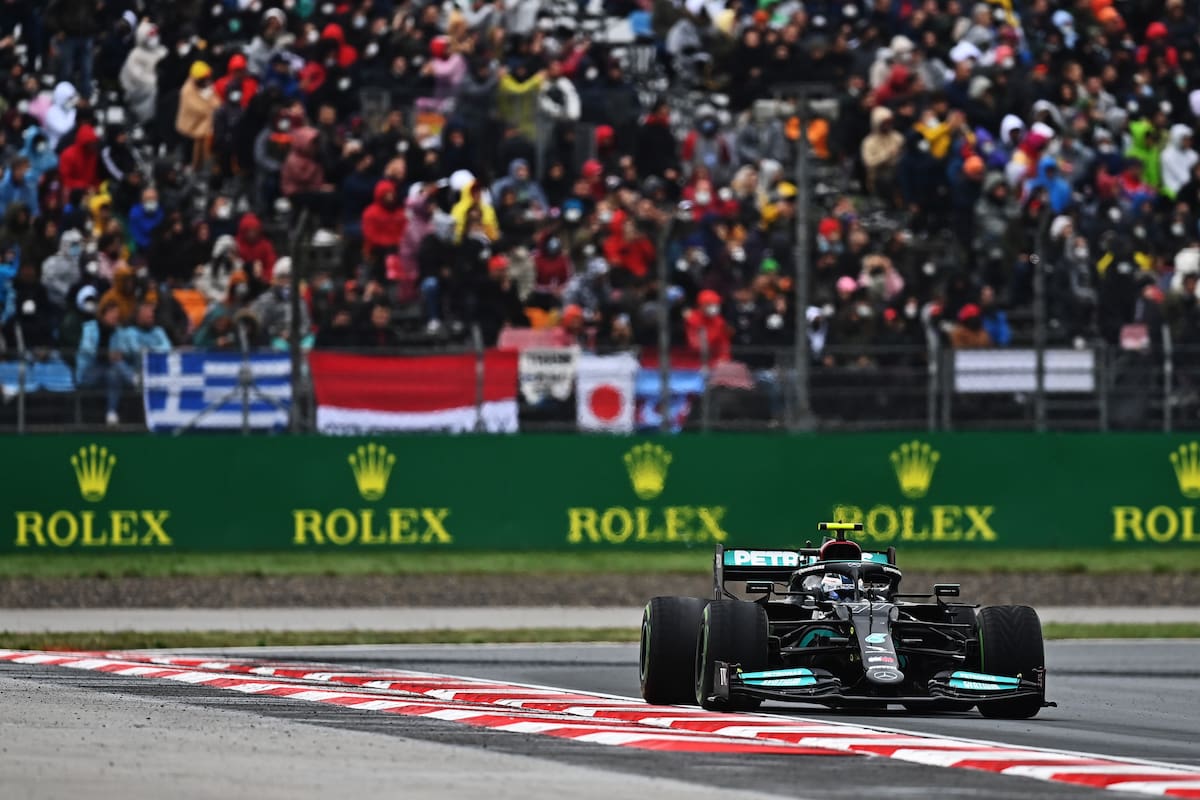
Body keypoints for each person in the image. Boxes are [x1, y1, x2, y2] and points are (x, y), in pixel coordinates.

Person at [75, 299, 135, 425]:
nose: (115, 316)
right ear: (103, 315)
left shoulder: (118, 331)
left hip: (109, 370)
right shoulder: (89, 327)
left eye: (117, 314)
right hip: (89, 371)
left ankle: (111, 412)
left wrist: (120, 353)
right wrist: (107, 354)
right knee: (116, 366)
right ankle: (134, 380)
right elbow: (86, 348)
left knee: (114, 372)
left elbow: (126, 349)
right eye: (112, 313)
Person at [176, 61, 220, 171]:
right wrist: (210, 102)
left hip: (204, 126)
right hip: (191, 127)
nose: (208, 81)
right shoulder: (187, 90)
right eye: (205, 79)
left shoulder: (206, 87)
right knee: (189, 152)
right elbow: (200, 109)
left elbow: (217, 103)